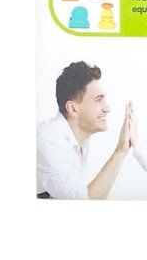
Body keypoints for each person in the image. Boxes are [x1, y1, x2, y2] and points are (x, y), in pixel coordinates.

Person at [36, 61, 132, 199]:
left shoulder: (79, 137)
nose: (107, 108)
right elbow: (83, 202)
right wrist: (120, 151)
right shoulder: (50, 142)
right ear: (73, 109)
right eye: (98, 100)